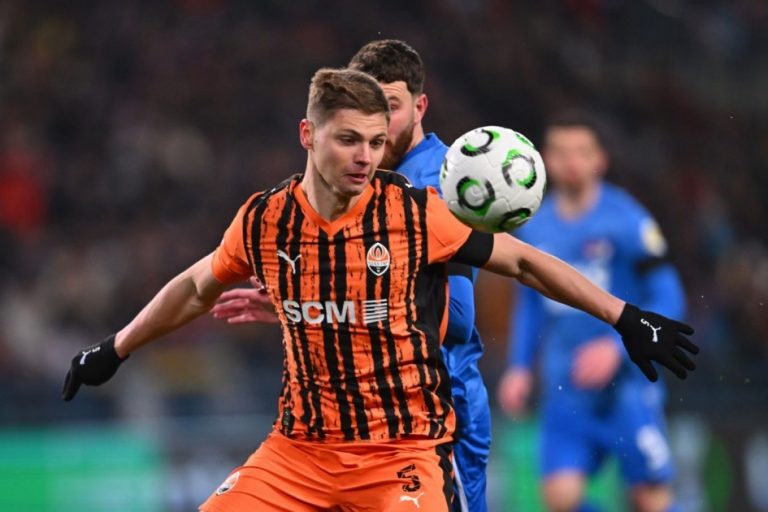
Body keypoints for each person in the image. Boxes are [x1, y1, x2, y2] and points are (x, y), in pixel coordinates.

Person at [63, 68, 697, 512]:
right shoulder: (264, 219)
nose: (365, 157)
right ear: (308, 136)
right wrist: (114, 349)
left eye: (373, 141)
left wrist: (625, 317)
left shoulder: (413, 212)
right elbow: (195, 288)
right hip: (297, 453)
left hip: (402, 454)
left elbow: (524, 264)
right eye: (347, 140)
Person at [211, 39, 491, 512]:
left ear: (420, 107)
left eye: (391, 108)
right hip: (351, 430)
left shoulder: (438, 184)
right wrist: (306, 304)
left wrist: (343, 308)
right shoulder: (356, 183)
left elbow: (458, 316)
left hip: (438, 408)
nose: (377, 124)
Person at [497, 111, 688, 512]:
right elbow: (530, 305)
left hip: (627, 387)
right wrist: (519, 367)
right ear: (545, 159)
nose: (571, 162)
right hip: (565, 386)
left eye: (581, 152)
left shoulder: (628, 219)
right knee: (560, 498)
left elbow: (669, 295)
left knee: (650, 499)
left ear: (600, 159)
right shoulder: (534, 226)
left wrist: (618, 348)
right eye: (561, 152)